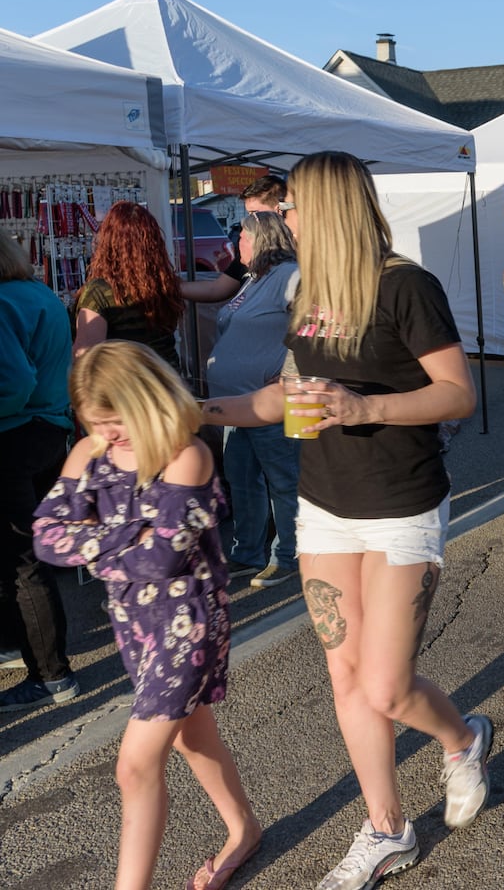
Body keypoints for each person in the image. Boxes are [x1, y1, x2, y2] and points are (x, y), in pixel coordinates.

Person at [201, 151, 490, 889]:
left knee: (386, 687)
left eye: (289, 205)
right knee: (345, 679)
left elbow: (457, 392)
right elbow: (285, 396)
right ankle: (389, 828)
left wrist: (367, 408)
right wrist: (195, 413)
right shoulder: (307, 290)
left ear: (326, 208)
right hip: (324, 506)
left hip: (402, 506)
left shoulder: (405, 286)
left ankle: (462, 738)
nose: (279, 216)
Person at [33, 341, 262, 890]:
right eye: (96, 423)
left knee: (134, 766)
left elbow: (160, 559)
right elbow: (44, 536)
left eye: (116, 421)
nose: (108, 435)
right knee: (193, 737)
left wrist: (89, 538)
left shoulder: (187, 455)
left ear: (147, 400)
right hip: (132, 625)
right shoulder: (91, 450)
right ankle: (244, 830)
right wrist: (122, 536)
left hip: (188, 624)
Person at [0, 234, 79, 712]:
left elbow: (13, 382)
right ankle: (26, 653)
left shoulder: (6, 300)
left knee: (22, 561)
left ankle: (50, 676)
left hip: (14, 435)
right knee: (27, 557)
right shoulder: (39, 292)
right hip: (48, 428)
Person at [205, 211, 302, 588]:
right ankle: (247, 553)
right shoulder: (253, 278)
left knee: (282, 479)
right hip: (239, 403)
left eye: (242, 238)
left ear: (261, 239)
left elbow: (307, 323)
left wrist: (289, 368)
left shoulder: (291, 275)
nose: (236, 245)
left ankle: (287, 555)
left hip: (269, 403)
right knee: (242, 477)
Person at [73, 201, 184, 371]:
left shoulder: (99, 292)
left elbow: (85, 357)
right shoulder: (163, 284)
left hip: (127, 390)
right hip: (170, 383)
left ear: (109, 241)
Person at [181, 175, 287, 305]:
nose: (250, 219)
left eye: (255, 213)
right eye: (248, 214)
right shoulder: (249, 252)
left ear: (279, 210)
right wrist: (168, 287)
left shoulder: (297, 256)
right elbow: (216, 289)